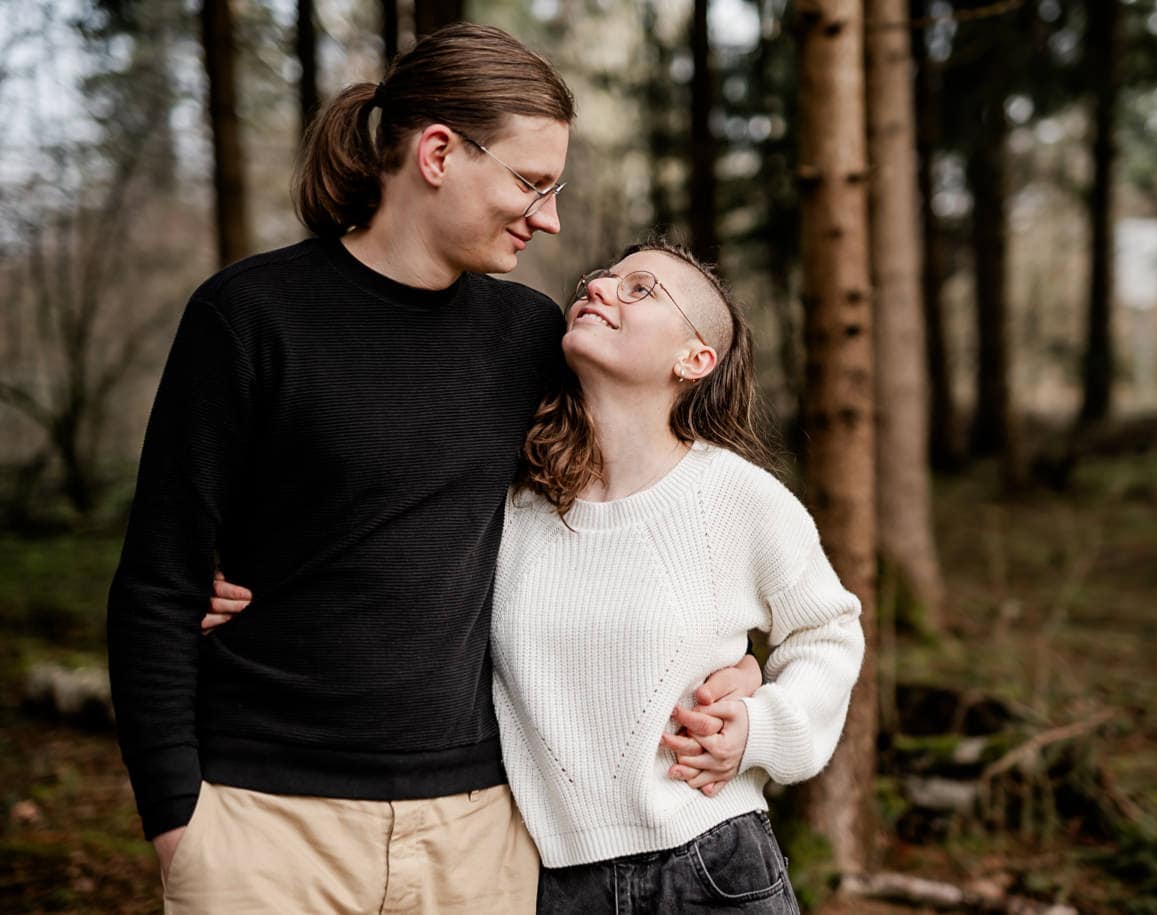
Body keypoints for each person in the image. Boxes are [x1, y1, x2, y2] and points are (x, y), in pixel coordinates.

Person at [107, 24, 758, 914]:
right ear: (439, 152)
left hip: (478, 828)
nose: (551, 218)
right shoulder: (249, 316)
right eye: (532, 184)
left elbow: (640, 506)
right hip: (264, 820)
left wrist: (733, 658)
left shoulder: (532, 338)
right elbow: (155, 585)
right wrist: (178, 821)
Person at [210, 241, 866, 913]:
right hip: (548, 882)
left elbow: (828, 630)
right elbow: (382, 553)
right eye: (600, 278)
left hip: (712, 861)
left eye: (640, 290)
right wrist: (239, 564)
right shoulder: (513, 502)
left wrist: (761, 726)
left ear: (694, 359)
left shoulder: (736, 498)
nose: (601, 288)